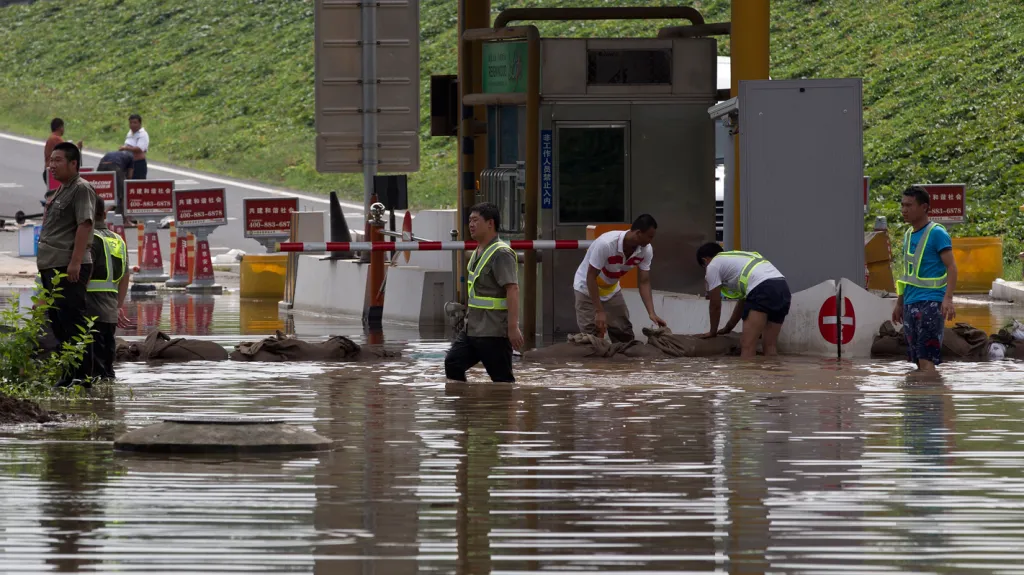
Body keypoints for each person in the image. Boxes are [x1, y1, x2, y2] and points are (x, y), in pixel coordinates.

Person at [39, 142, 97, 386]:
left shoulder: (81, 189)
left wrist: (75, 263)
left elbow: (85, 225)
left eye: (58, 160)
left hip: (67, 266)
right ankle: (68, 374)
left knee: (74, 321)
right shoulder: (61, 189)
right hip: (52, 266)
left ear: (74, 164)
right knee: (59, 322)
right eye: (51, 160)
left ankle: (83, 377)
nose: (52, 165)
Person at [444, 202, 523, 383]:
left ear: (490, 223)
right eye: (470, 220)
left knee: (502, 381)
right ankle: (466, 407)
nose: (471, 225)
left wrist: (513, 328)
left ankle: (505, 409)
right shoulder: (478, 251)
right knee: (453, 363)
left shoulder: (501, 253)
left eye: (476, 220)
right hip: (472, 328)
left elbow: (512, 289)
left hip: (493, 330)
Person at [893, 186, 958, 372]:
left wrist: (948, 298)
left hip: (931, 302)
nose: (904, 210)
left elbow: (952, 267)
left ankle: (929, 398)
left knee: (926, 359)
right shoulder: (907, 235)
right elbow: (907, 275)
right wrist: (899, 303)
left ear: (924, 207)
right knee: (915, 360)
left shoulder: (937, 233)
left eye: (909, 205)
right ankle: (919, 399)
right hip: (910, 303)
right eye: (902, 205)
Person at [573, 214, 665, 343]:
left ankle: (623, 363)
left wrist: (651, 313)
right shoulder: (606, 244)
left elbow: (644, 282)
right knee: (591, 337)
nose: (651, 240)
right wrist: (599, 311)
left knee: (624, 332)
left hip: (611, 290)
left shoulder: (646, 250)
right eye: (650, 237)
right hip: (587, 289)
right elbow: (591, 277)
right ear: (638, 233)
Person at [696, 242, 791, 358]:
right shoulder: (739, 259)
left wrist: (713, 332)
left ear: (705, 260)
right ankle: (773, 375)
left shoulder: (712, 266)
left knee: (747, 346)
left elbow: (715, 305)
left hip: (762, 289)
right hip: (782, 288)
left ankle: (747, 376)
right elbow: (743, 302)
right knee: (770, 346)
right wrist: (728, 327)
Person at [84, 197, 131, 379]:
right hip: (110, 313)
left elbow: (85, 273)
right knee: (106, 370)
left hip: (89, 311)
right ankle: (108, 403)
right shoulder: (117, 239)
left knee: (90, 369)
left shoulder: (89, 239)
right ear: (104, 214)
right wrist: (118, 307)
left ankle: (96, 405)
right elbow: (125, 276)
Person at [97, 150, 135, 223]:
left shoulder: (113, 153)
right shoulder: (131, 157)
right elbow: (130, 176)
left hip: (102, 165)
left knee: (101, 191)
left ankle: (97, 215)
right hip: (115, 166)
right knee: (123, 194)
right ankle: (126, 221)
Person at [43, 118, 82, 188]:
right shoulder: (56, 139)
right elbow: (68, 151)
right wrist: (77, 146)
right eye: (63, 127)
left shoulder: (51, 138)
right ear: (60, 127)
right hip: (53, 172)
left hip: (49, 171)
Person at [119, 113, 149, 180]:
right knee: (127, 184)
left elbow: (139, 149)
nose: (132, 125)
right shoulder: (130, 132)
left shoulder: (143, 134)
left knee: (137, 185)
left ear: (140, 124)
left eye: (135, 123)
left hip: (138, 164)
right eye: (130, 123)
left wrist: (125, 148)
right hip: (128, 163)